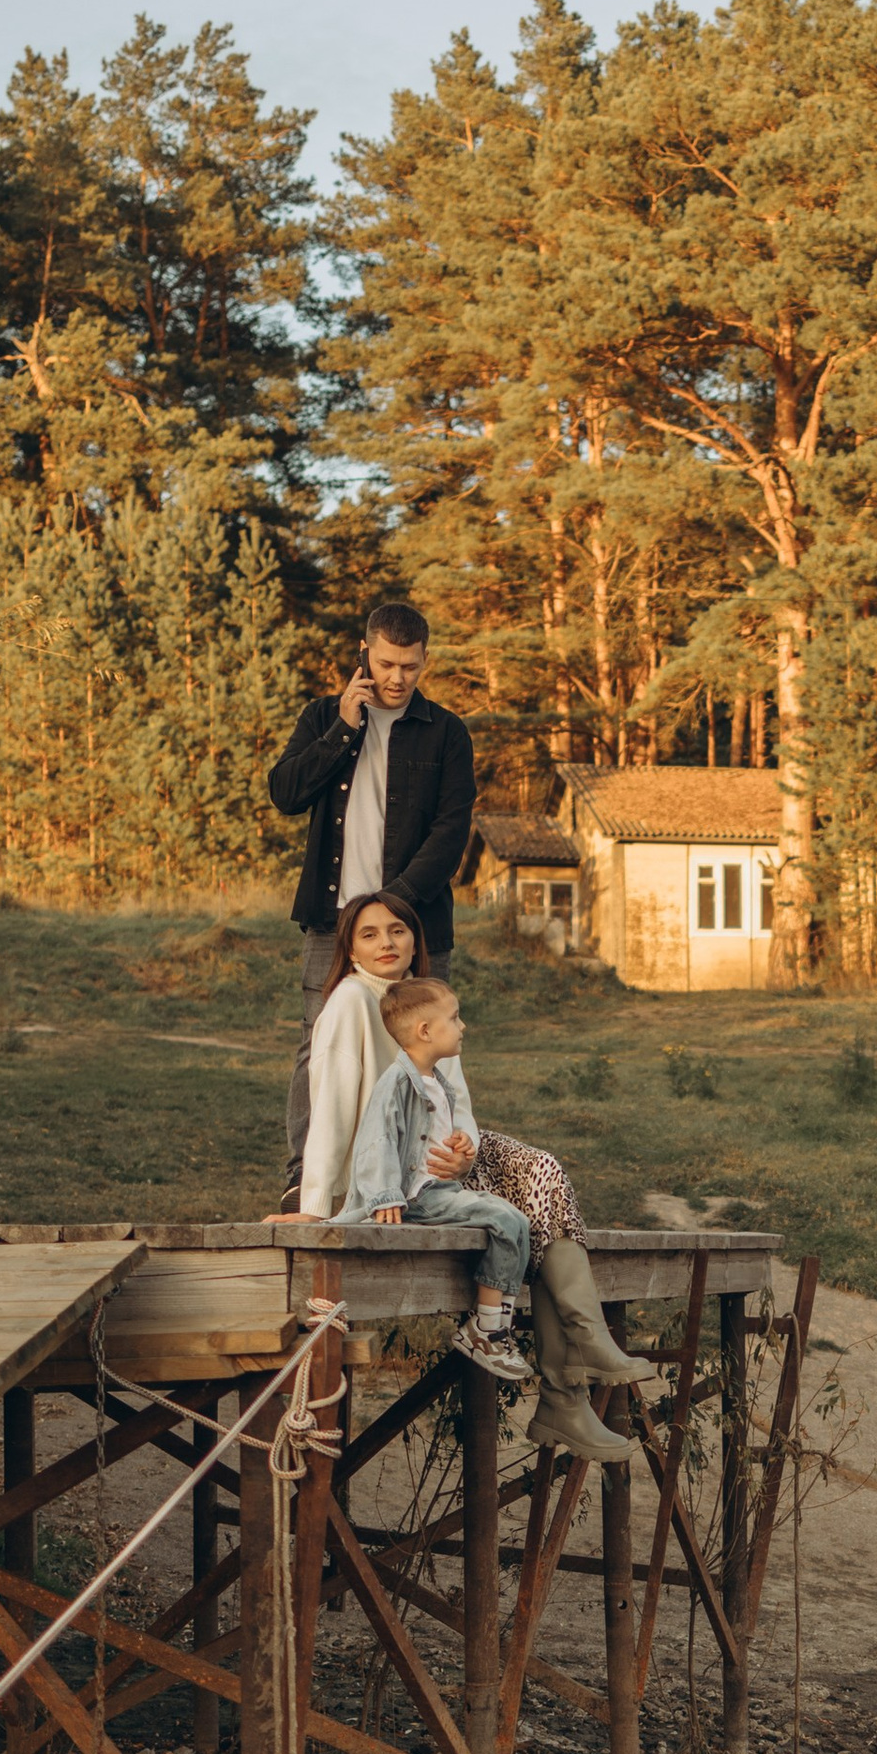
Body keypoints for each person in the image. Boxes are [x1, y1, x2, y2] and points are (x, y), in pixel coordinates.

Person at [290, 883, 654, 1458]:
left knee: (542, 1173)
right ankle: (567, 1388)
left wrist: (466, 1148)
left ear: (415, 939)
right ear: (350, 949)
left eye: (398, 930)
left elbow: (460, 1103)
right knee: (528, 1208)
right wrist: (314, 1204)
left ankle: (578, 1363)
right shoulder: (350, 1001)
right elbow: (331, 1109)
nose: (386, 942)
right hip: (397, 1175)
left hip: (449, 1165)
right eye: (369, 933)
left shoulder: (430, 1001)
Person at [268, 595, 476, 1211]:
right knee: (318, 1042)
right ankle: (305, 1178)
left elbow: (451, 831)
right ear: (365, 654)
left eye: (410, 666)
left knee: (427, 1044)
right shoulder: (322, 718)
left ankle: (424, 1174)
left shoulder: (446, 732)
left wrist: (393, 911)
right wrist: (342, 728)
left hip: (417, 923)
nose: (397, 678)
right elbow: (285, 793)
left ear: (424, 661)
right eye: (386, 663)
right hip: (332, 923)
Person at [347, 977, 534, 1384]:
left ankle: (498, 1326)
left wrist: (462, 1143)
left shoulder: (438, 1084)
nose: (463, 1025)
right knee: (503, 1220)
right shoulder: (395, 1083)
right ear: (425, 1031)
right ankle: (485, 1331)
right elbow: (375, 1139)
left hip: (442, 1190)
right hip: (419, 1198)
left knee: (516, 1220)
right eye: (454, 1017)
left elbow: (432, 1136)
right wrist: (384, 1195)